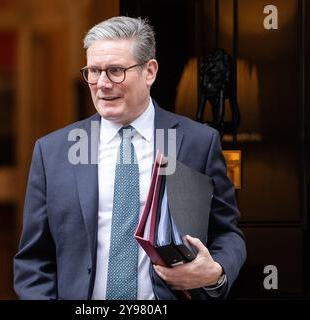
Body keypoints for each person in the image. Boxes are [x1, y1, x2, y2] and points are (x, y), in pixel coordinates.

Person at [14, 16, 246, 300]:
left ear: (150, 71)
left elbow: (227, 233)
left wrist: (215, 273)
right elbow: (34, 260)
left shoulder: (198, 142)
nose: (102, 84)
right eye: (94, 71)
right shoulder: (52, 152)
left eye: (115, 71)